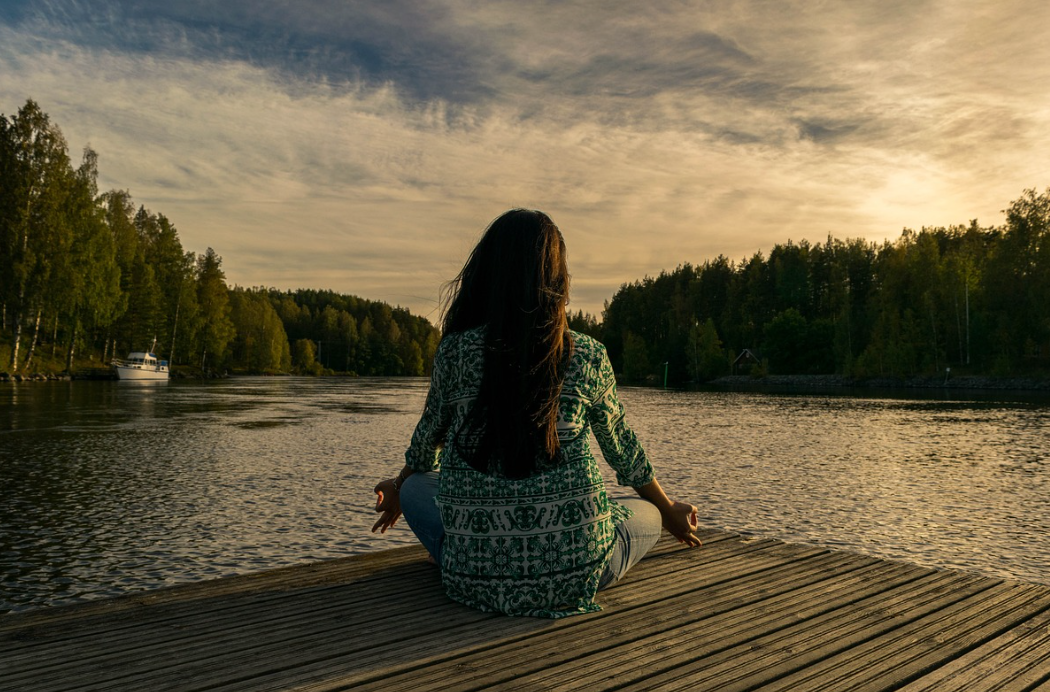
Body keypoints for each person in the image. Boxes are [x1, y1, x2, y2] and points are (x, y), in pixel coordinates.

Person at [372, 209, 701, 618]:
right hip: (578, 574)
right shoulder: (588, 354)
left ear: (486, 273)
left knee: (417, 488)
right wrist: (668, 511)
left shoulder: (455, 352)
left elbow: (426, 446)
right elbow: (623, 451)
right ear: (557, 279)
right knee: (646, 512)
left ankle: (461, 555)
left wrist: (399, 485)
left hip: (473, 579)